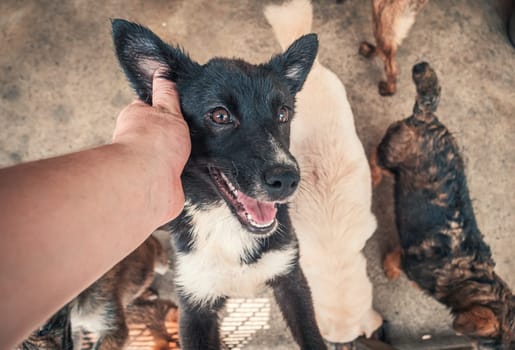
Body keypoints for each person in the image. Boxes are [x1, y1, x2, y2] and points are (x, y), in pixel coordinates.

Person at [0, 69, 191, 349]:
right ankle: (148, 169)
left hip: (140, 252)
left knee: (159, 260)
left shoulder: (91, 299)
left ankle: (149, 171)